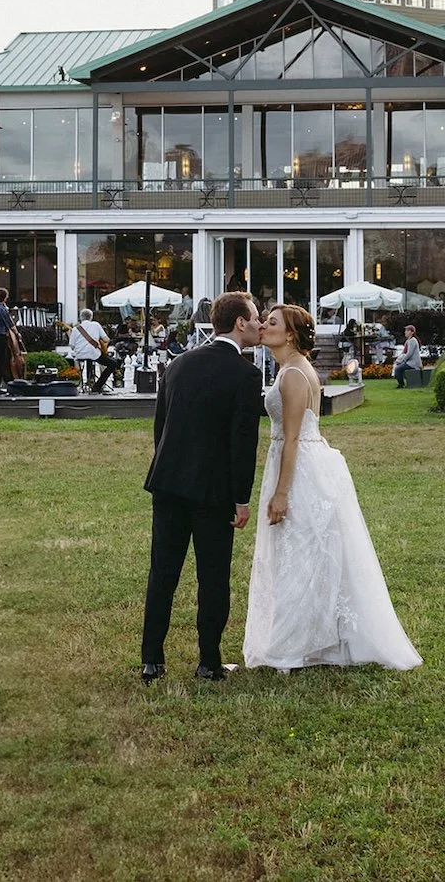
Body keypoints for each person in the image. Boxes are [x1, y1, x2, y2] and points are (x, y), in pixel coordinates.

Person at [243, 304, 421, 672]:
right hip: (306, 460)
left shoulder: (293, 374)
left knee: (300, 552)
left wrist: (281, 493)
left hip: (298, 467)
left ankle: (292, 645)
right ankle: (310, 638)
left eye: (272, 323)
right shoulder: (292, 369)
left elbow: (292, 438)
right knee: (308, 551)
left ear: (290, 334)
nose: (263, 326)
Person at [140, 292, 264, 685]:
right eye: (257, 317)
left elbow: (161, 427)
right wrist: (241, 499)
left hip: (168, 483)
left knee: (162, 572)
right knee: (213, 577)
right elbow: (242, 444)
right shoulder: (245, 375)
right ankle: (209, 661)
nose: (261, 324)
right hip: (213, 492)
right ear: (240, 323)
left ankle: (151, 660)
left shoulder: (178, 364)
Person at [69, 309, 112, 391]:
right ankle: (97, 386)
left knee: (88, 358)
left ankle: (87, 382)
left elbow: (72, 346)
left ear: (80, 318)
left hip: (80, 355)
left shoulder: (75, 329)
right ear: (91, 317)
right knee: (112, 363)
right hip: (94, 354)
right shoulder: (96, 325)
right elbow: (106, 340)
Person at [393, 324, 422, 389]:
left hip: (413, 363)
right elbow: (403, 352)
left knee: (398, 369)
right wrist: (398, 359)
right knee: (397, 367)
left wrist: (402, 361)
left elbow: (409, 354)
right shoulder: (408, 341)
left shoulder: (413, 341)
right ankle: (401, 383)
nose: (405, 332)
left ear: (411, 332)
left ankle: (401, 384)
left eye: (407, 330)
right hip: (409, 362)